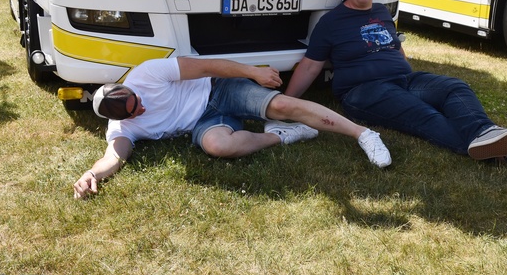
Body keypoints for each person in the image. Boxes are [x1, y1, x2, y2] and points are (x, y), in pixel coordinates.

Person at [284, 0, 507, 166]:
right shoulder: (331, 22)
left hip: (404, 80)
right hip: (363, 91)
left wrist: (404, 69)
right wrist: (285, 102)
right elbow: (310, 65)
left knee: (454, 87)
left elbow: (396, 46)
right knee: (423, 113)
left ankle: (487, 133)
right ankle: (499, 153)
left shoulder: (382, 11)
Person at [73, 56, 392, 199]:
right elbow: (114, 156)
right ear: (122, 118)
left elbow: (207, 66)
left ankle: (363, 134)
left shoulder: (146, 74)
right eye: (134, 113)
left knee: (280, 105)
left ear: (128, 87)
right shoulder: (121, 127)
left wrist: (253, 72)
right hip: (204, 123)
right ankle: (279, 136)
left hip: (217, 89)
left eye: (137, 101)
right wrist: (92, 174)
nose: (141, 108)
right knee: (218, 147)